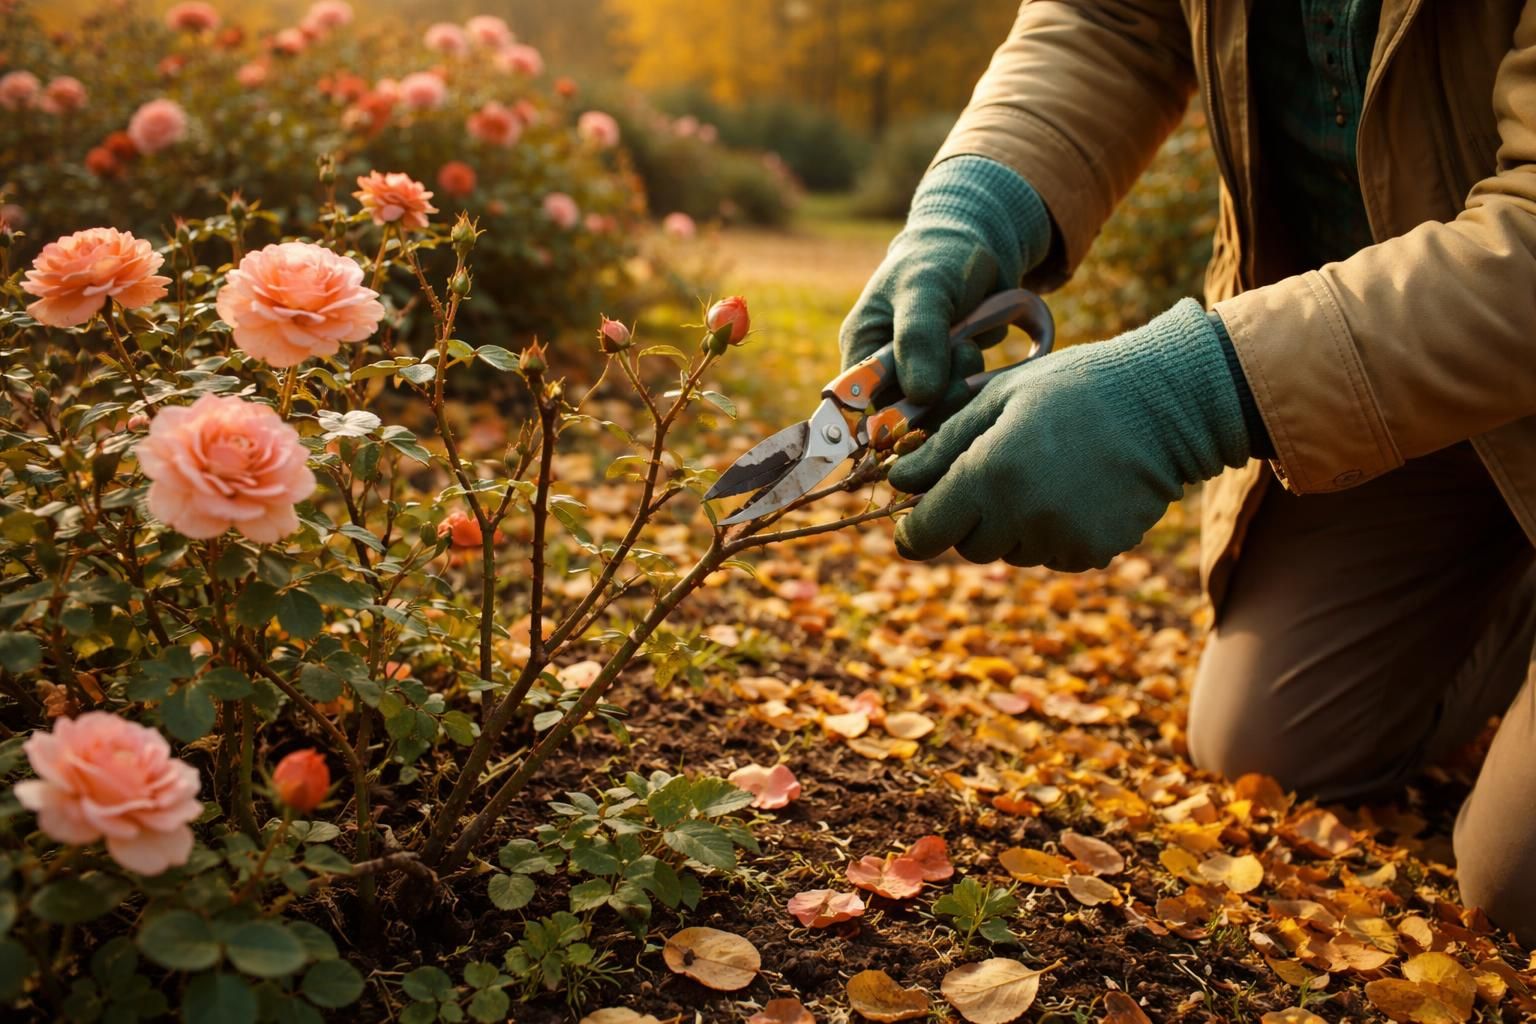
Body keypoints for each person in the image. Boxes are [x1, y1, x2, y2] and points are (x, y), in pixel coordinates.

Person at [845, 1, 1536, 944]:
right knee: (1271, 746)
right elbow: (1108, 19)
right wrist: (975, 204)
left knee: (1518, 878)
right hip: (1420, 388)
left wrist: (1192, 393)